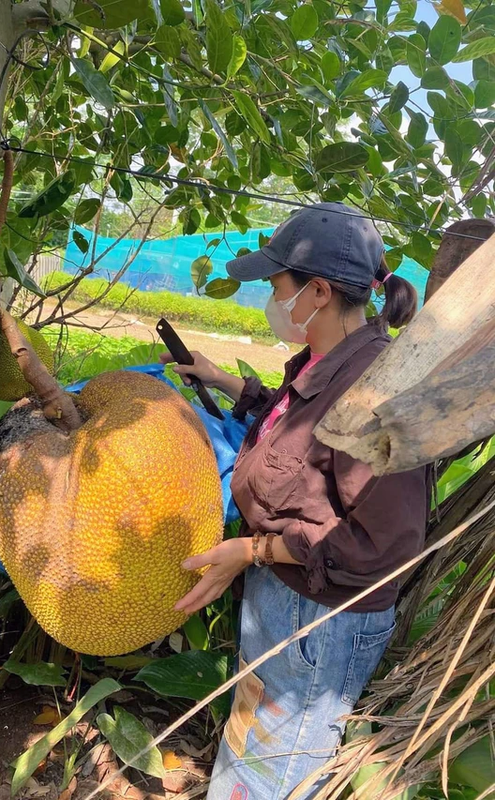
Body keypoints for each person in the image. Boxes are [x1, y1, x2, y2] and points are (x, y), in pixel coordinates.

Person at [160, 203, 429, 800]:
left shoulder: (372, 393)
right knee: (253, 746)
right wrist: (222, 379)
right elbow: (297, 435)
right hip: (287, 597)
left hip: (321, 621)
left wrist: (253, 549)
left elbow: (381, 545)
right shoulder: (326, 363)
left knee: (274, 776)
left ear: (318, 291)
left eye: (276, 284)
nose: (270, 297)